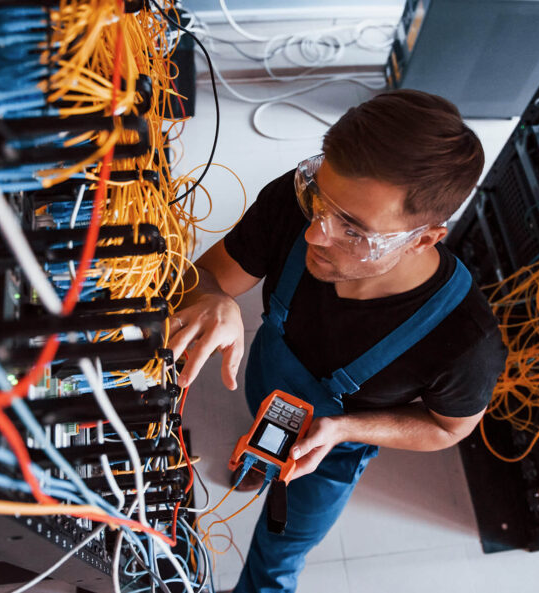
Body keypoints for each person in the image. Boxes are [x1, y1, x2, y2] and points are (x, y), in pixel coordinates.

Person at [167, 89, 508, 593]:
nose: (316, 234)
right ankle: (259, 461)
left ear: (423, 238)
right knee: (262, 436)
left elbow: (445, 430)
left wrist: (343, 428)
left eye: (353, 229)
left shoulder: (465, 342)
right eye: (319, 198)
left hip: (331, 450)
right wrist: (213, 297)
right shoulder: (295, 203)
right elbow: (210, 274)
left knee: (279, 554)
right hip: (270, 386)